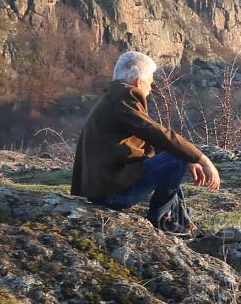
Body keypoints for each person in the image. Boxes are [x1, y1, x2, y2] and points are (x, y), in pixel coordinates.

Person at [70, 51, 220, 236]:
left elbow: (148, 137)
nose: (151, 88)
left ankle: (180, 218)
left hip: (101, 189)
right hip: (110, 194)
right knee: (174, 159)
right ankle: (161, 220)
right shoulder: (124, 99)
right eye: (150, 82)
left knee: (174, 157)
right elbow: (156, 132)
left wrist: (188, 158)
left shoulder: (114, 98)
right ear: (139, 82)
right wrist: (201, 158)